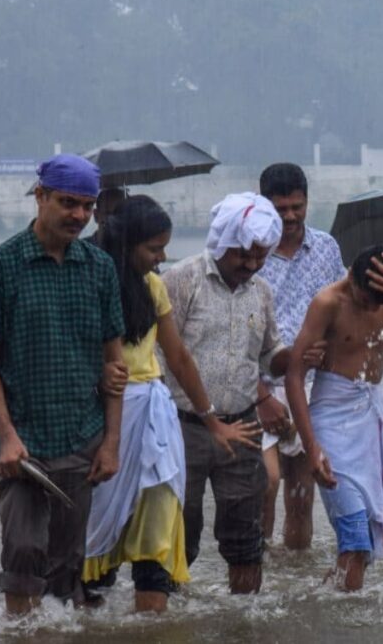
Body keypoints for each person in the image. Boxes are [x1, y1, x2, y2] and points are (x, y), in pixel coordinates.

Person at [0, 154, 126, 616]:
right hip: (20, 443)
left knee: (66, 564)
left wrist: (111, 442)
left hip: (81, 436)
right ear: (40, 197)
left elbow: (115, 365)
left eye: (87, 206)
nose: (78, 215)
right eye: (67, 203)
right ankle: (20, 628)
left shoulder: (99, 269)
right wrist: (6, 436)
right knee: (23, 549)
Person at [82, 195, 259, 612]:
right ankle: (89, 618)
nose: (162, 257)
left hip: (155, 418)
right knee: (100, 524)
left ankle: (152, 626)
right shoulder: (90, 282)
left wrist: (212, 421)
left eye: (164, 247)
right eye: (154, 248)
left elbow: (178, 356)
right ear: (127, 244)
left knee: (159, 522)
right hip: (106, 413)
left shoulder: (153, 286)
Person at [161, 192, 323, 594]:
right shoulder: (181, 280)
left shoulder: (260, 292)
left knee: (246, 539)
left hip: (245, 427)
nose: (251, 265)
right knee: (180, 531)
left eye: (260, 256)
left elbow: (270, 358)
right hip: (185, 428)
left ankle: (245, 620)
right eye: (243, 256)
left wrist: (300, 357)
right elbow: (161, 353)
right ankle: (170, 615)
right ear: (221, 243)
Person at [286, 245, 383, 591]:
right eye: (364, 299)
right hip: (329, 417)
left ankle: (318, 604)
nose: (372, 308)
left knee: (364, 547)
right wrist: (311, 448)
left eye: (379, 301)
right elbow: (294, 376)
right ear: (352, 279)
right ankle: (347, 622)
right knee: (354, 540)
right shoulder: (328, 302)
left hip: (368, 419)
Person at [257, 162, 345, 550]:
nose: (290, 216)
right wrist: (259, 394)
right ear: (264, 206)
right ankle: (251, 571)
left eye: (297, 207)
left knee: (301, 495)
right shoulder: (250, 251)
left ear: (307, 202)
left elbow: (342, 308)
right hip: (259, 386)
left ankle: (293, 579)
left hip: (310, 386)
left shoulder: (326, 248)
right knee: (266, 482)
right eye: (280, 209)